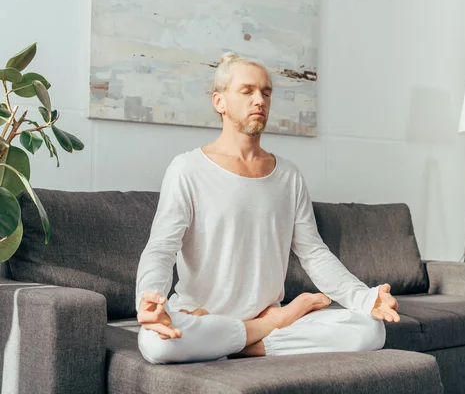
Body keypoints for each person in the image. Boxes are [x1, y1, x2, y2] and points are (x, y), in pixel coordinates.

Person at [135, 52, 401, 364]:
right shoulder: (187, 169)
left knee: (369, 330)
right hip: (203, 315)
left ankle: (240, 339)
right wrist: (149, 298)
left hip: (241, 321)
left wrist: (365, 298)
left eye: (266, 92)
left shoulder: (288, 176)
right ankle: (262, 328)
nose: (259, 100)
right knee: (157, 343)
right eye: (247, 91)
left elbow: (314, 254)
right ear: (219, 101)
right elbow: (161, 248)